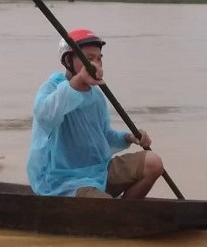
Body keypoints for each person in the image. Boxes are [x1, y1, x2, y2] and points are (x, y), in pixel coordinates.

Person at [27, 28, 164, 198]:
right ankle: (114, 215)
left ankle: (125, 212)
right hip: (64, 181)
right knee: (103, 204)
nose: (96, 65)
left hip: (99, 171)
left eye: (99, 59)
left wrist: (129, 137)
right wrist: (78, 82)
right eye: (89, 59)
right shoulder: (53, 88)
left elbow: (104, 134)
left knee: (153, 163)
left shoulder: (97, 95)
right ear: (68, 61)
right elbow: (46, 116)